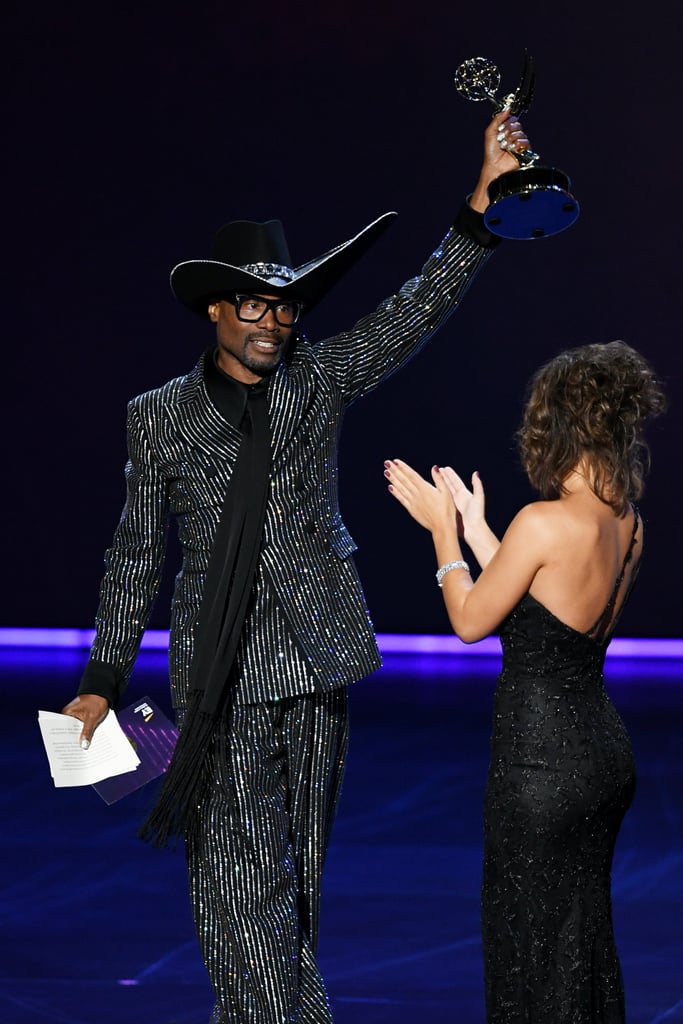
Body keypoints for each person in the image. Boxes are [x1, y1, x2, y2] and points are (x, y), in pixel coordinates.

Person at [60, 107, 528, 1024]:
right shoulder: (156, 416)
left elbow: (410, 314)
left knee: (291, 886)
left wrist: (480, 206)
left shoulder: (314, 380)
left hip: (317, 662)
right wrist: (101, 679)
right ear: (214, 309)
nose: (273, 320)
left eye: (285, 304)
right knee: (240, 884)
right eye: (254, 303)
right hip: (217, 677)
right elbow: (133, 553)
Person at [383, 339, 666, 1023]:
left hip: (541, 769)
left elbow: (472, 622)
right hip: (599, 758)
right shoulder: (625, 522)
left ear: (555, 426)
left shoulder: (543, 521)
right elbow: (542, 609)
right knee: (577, 940)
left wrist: (443, 533)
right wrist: (482, 532)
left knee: (529, 948)